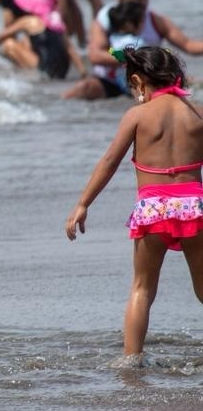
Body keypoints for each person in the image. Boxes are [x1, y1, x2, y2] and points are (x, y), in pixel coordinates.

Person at [66, 46, 203, 361]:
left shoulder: (137, 115)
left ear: (140, 83)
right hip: (193, 207)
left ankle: (131, 361)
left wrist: (83, 203)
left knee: (142, 288)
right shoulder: (197, 113)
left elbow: (110, 160)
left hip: (153, 210)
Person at [64, 0, 203, 100]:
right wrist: (134, 59)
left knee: (193, 84)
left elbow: (189, 45)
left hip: (147, 81)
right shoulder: (106, 18)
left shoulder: (156, 20)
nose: (143, 3)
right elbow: (95, 55)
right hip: (110, 80)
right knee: (84, 87)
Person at [0, 0, 85, 81]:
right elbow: (70, 50)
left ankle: (23, 74)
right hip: (62, 71)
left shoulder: (30, 21)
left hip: (44, 70)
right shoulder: (57, 23)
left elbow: (0, 37)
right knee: (26, 41)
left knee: (9, 44)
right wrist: (83, 72)